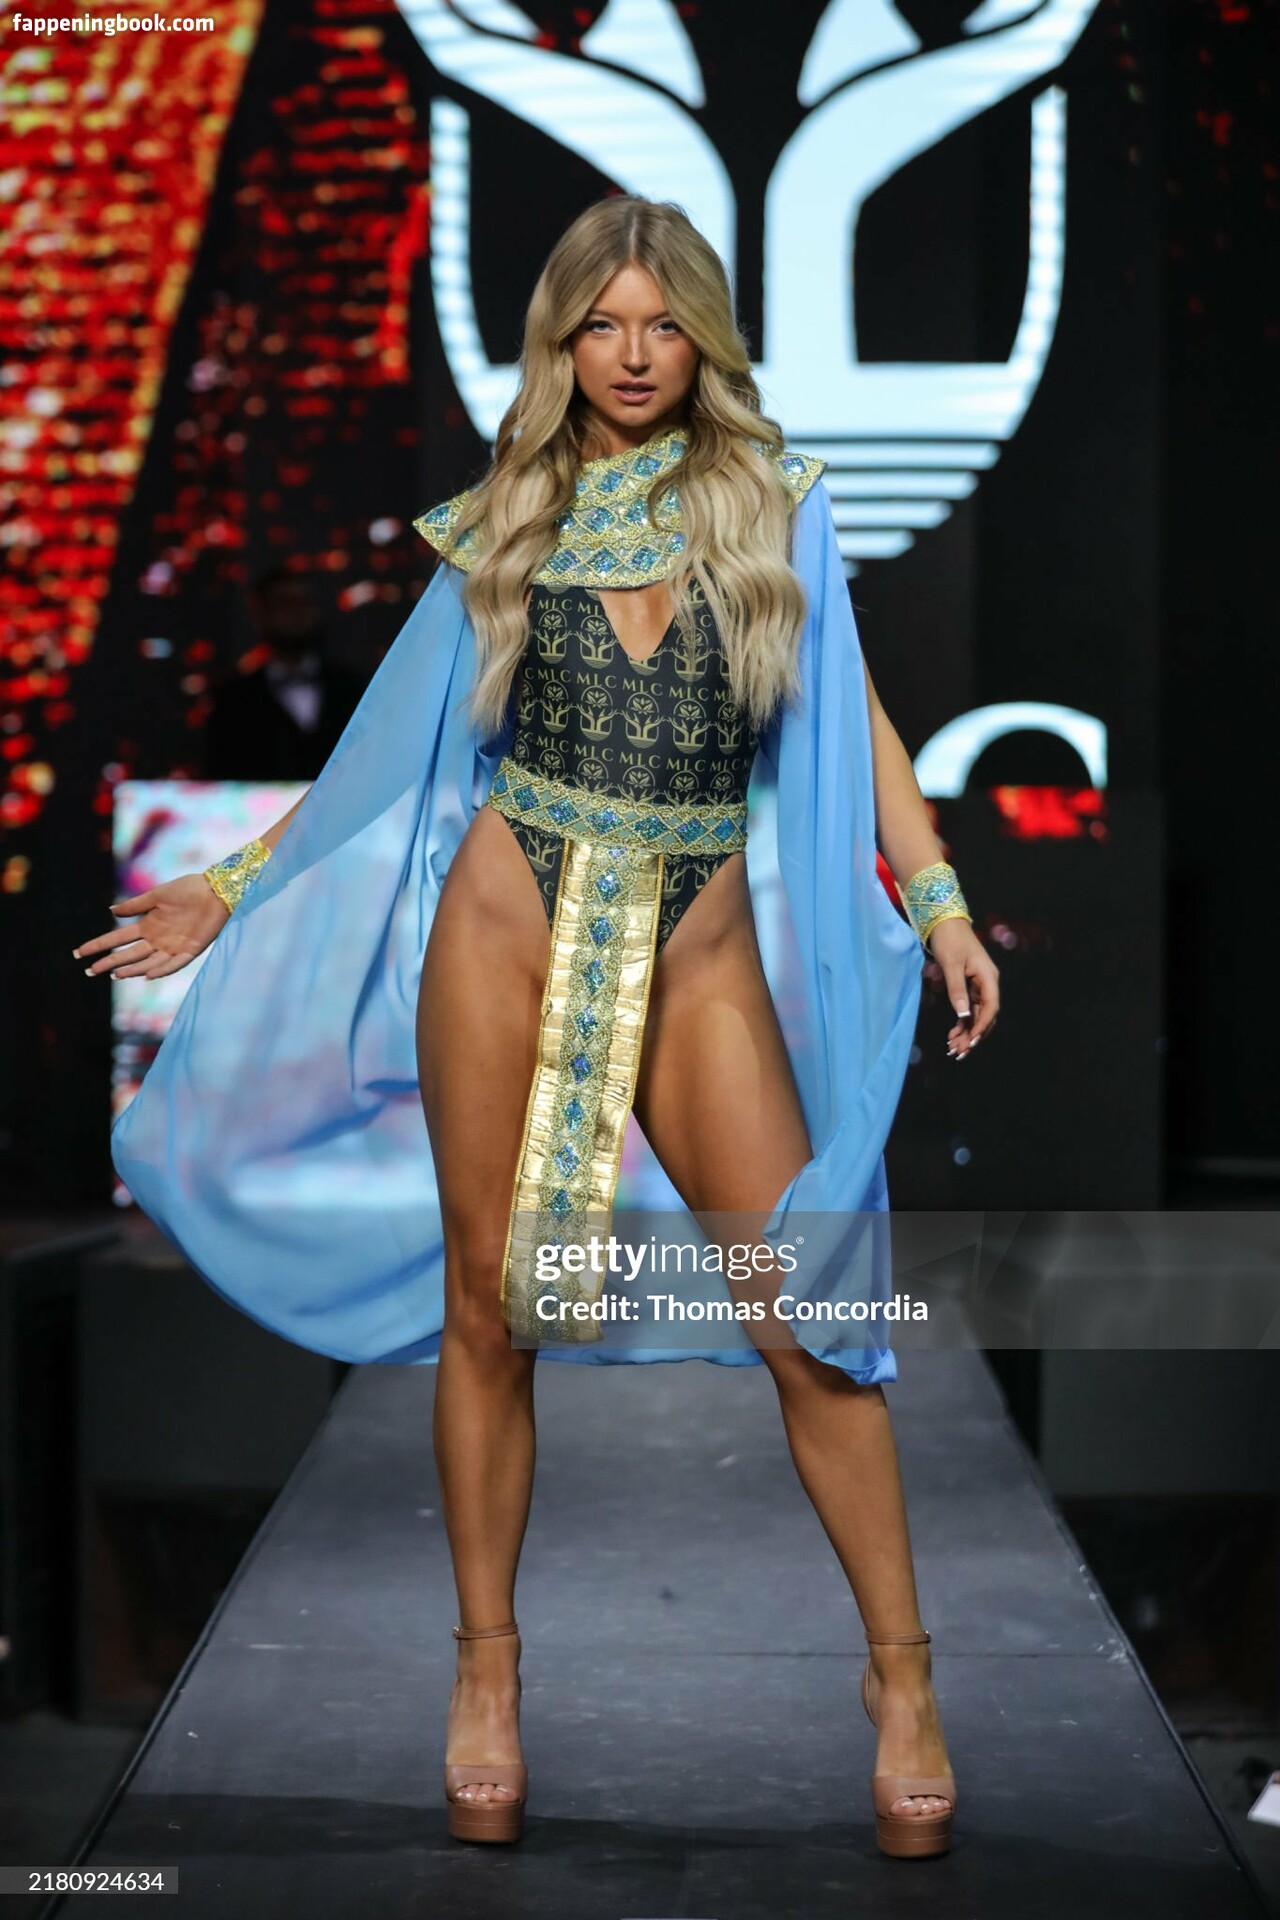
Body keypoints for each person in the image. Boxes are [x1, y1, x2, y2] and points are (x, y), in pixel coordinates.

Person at [73, 196, 1000, 1859]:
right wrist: (236, 884)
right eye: (602, 325)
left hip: (697, 945)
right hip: (506, 925)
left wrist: (934, 900)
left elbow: (857, 719)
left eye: (663, 324)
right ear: (562, 339)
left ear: (701, 336)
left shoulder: (775, 500)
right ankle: (488, 1673)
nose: (633, 356)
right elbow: (386, 741)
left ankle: (904, 1675)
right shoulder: (509, 511)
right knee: (488, 1310)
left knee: (805, 1310)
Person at [201, 568, 366, 781]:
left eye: (304, 603)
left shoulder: (353, 689)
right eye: (284, 604)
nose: (296, 613)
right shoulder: (232, 700)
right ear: (260, 616)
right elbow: (221, 777)